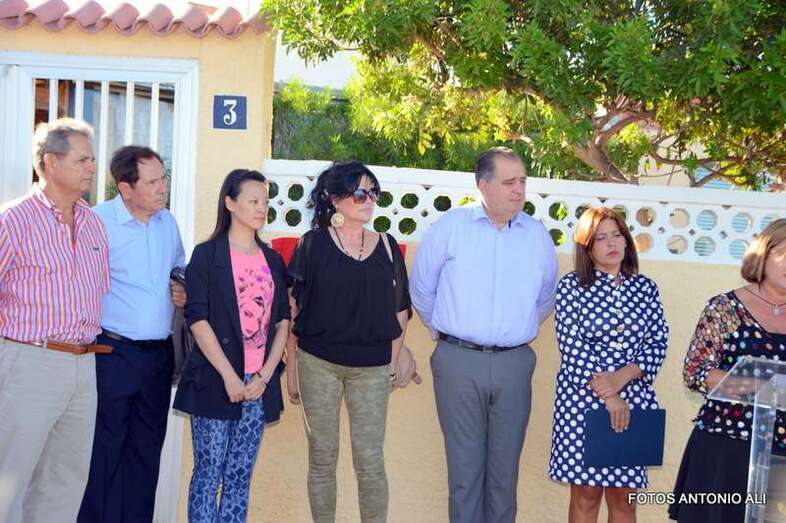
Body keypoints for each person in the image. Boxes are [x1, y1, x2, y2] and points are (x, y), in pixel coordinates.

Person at [410, 146, 558, 523]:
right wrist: (445, 334)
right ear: (483, 185)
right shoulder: (450, 227)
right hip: (458, 363)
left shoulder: (537, 236)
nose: (518, 189)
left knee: (504, 477)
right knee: (464, 475)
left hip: (514, 364)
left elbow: (546, 298)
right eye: (509, 182)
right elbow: (422, 290)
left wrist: (513, 333)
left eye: (522, 181)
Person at [286, 160, 411, 523]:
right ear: (336, 198)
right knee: (322, 458)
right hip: (318, 363)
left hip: (372, 368)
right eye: (360, 193)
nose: (369, 199)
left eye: (374, 192)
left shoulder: (387, 246)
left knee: (370, 461)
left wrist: (394, 360)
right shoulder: (312, 244)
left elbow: (400, 310)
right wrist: (292, 369)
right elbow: (293, 310)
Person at [0, 118, 111, 523]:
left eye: (92, 160)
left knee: (65, 483)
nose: (91, 168)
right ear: (50, 162)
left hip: (84, 366)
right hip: (29, 363)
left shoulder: (93, 222)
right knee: (7, 479)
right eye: (82, 160)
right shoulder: (13, 220)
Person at [173, 169, 290, 522]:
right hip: (215, 379)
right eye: (253, 201)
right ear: (230, 203)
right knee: (208, 473)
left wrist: (264, 376)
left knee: (240, 477)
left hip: (258, 384)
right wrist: (229, 376)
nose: (261, 208)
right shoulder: (207, 255)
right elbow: (198, 318)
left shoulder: (272, 260)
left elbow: (283, 321)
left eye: (265, 201)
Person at [78, 146, 186, 522]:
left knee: (146, 452)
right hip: (111, 353)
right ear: (126, 188)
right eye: (153, 182)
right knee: (103, 451)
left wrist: (181, 287)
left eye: (163, 178)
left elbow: (179, 268)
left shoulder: (168, 223)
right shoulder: (96, 221)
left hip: (158, 357)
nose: (163, 187)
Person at [548, 207, 668, 523]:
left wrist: (622, 378)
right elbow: (572, 346)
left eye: (617, 235)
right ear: (587, 248)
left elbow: (658, 342)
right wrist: (610, 395)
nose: (611, 243)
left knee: (624, 498)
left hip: (634, 398)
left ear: (627, 241)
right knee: (586, 495)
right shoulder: (571, 286)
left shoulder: (645, 288)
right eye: (601, 238)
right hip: (582, 400)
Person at [669, 218, 786, 523]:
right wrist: (760, 387)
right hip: (726, 449)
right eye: (783, 253)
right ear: (763, 254)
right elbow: (696, 372)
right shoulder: (725, 308)